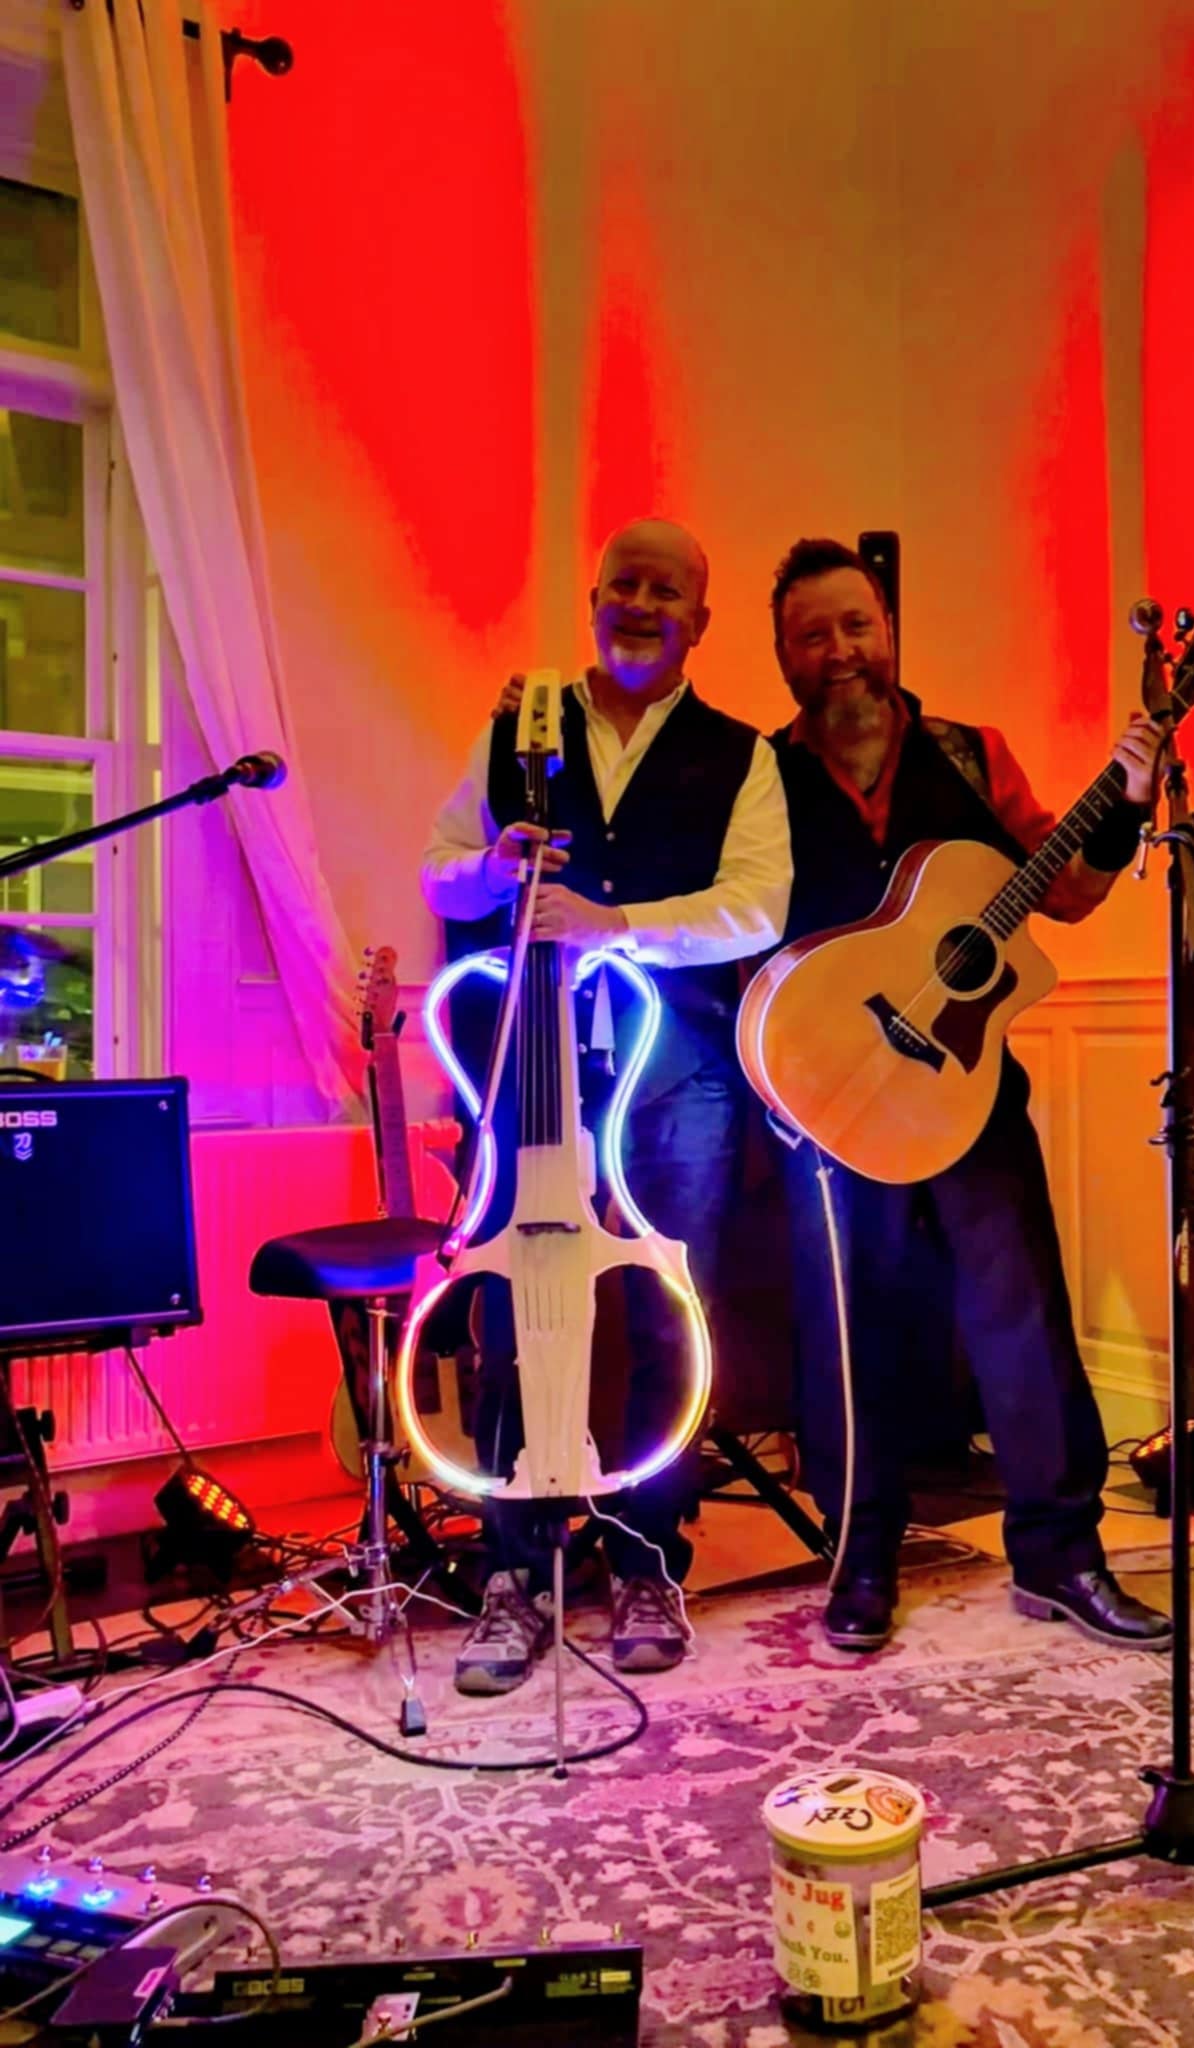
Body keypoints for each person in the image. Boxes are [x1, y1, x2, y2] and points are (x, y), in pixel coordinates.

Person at [766, 535, 1172, 1653]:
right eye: (815, 634)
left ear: (889, 628)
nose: (841, 650)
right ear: (785, 658)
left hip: (967, 1085)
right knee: (852, 1334)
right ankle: (861, 1554)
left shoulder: (970, 751)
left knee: (1024, 1315)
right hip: (835, 1099)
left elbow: (1070, 890)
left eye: (857, 624)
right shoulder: (764, 775)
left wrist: (1125, 801)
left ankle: (1061, 1550)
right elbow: (737, 935)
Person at [421, 517, 790, 1689]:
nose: (642, 602)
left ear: (700, 618)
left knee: (670, 1309)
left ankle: (644, 1555)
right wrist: (492, 871)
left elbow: (760, 905)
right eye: (624, 583)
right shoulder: (514, 726)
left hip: (677, 1066)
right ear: (593, 599)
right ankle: (514, 1570)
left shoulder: (744, 754)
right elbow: (440, 862)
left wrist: (619, 923)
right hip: (531, 1060)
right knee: (510, 1305)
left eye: (667, 588)